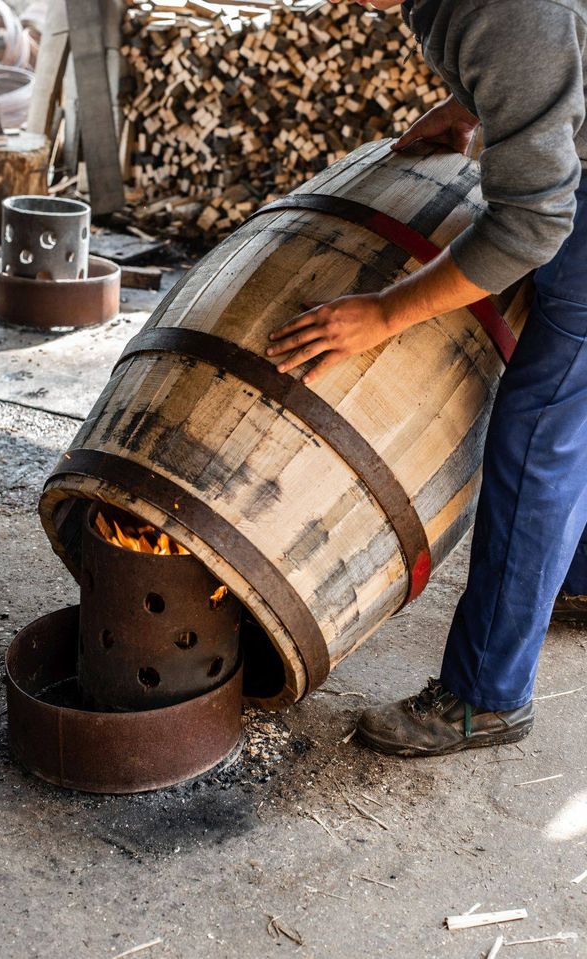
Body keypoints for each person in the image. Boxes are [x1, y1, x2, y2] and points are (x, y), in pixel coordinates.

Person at [267, 0, 587, 756]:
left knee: (537, 429)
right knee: (573, 407)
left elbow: (530, 225)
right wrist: (473, 106)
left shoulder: (508, 13)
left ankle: (485, 695)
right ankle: (574, 582)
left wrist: (383, 314)